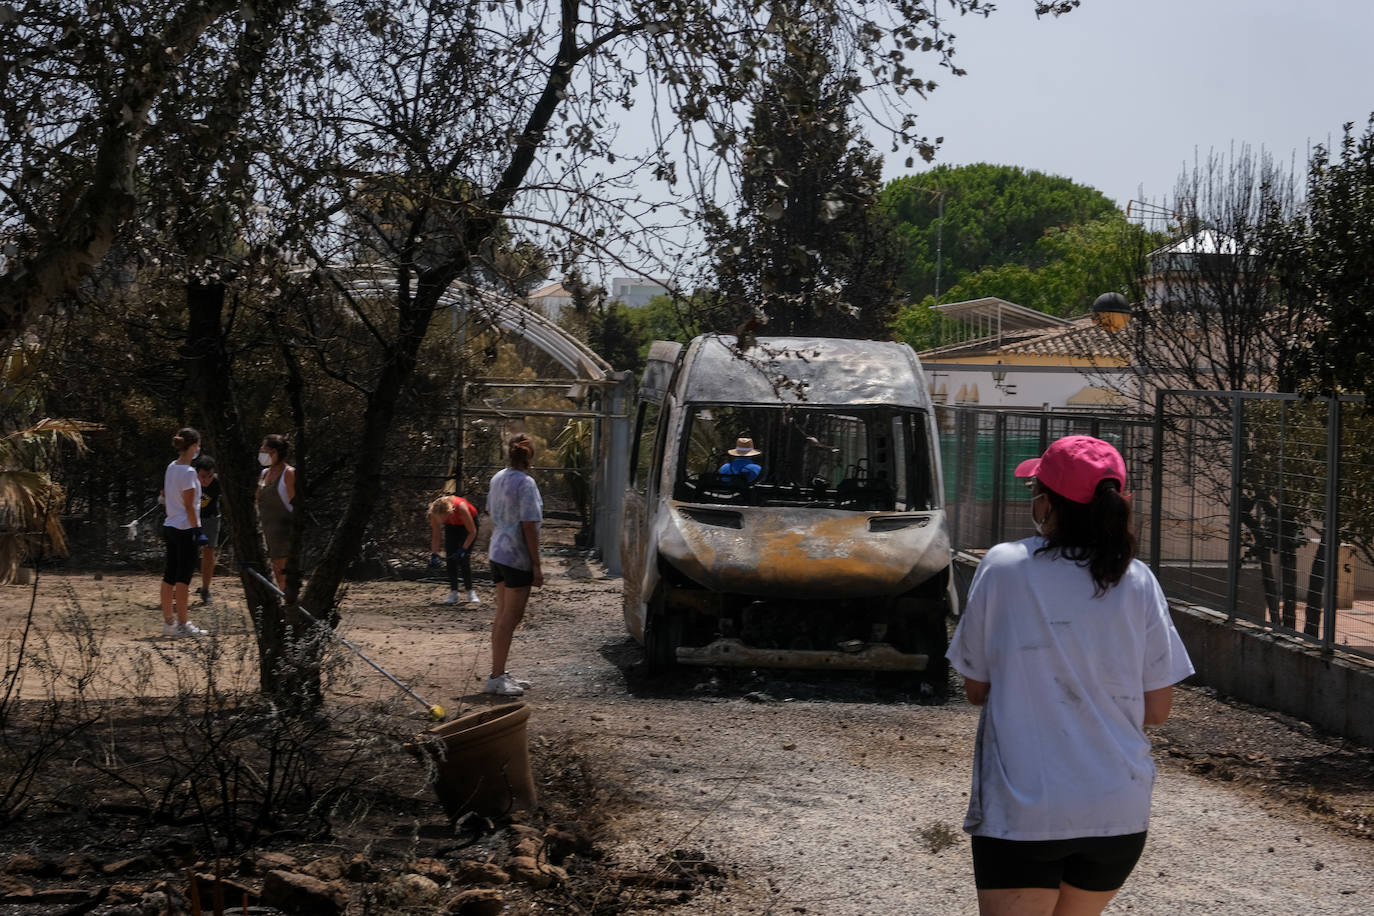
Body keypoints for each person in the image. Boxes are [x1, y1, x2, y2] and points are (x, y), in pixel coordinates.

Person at [946, 435, 1194, 916]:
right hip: (1117, 809)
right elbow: (1158, 711)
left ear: (1046, 502)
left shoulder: (1003, 566)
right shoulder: (1139, 579)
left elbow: (976, 689)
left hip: (1024, 810)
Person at [483, 433, 543, 696]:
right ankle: (496, 676)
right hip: (516, 556)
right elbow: (529, 525)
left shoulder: (497, 478)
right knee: (511, 617)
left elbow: (490, 511)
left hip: (497, 551)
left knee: (502, 615)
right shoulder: (526, 483)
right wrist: (537, 565)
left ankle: (499, 672)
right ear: (530, 455)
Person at [160, 428, 207, 637]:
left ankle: (168, 622)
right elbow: (189, 505)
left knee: (169, 575)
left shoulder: (171, 467)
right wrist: (197, 529)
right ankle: (183, 623)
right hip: (185, 528)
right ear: (194, 446)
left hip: (170, 525)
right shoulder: (188, 472)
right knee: (183, 578)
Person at [255, 433, 296, 592]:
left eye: (263, 449)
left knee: (282, 576)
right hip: (266, 534)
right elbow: (257, 500)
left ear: (274, 452)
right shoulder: (264, 474)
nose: (261, 452)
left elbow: (296, 506)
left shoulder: (289, 473)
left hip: (283, 536)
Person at [428, 494, 480, 605]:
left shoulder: (461, 508)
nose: (440, 521)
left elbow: (472, 532)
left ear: (449, 512)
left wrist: (463, 549)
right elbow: (436, 535)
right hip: (452, 526)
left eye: (443, 517)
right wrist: (434, 554)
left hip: (468, 527)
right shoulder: (435, 513)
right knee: (450, 559)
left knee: (464, 559)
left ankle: (470, 592)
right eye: (439, 518)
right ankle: (454, 592)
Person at [192, 454, 221, 606]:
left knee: (209, 553)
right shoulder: (189, 481)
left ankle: (205, 589)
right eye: (203, 476)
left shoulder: (217, 483)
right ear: (196, 473)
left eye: (209, 476)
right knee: (189, 553)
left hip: (211, 518)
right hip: (192, 519)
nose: (206, 480)